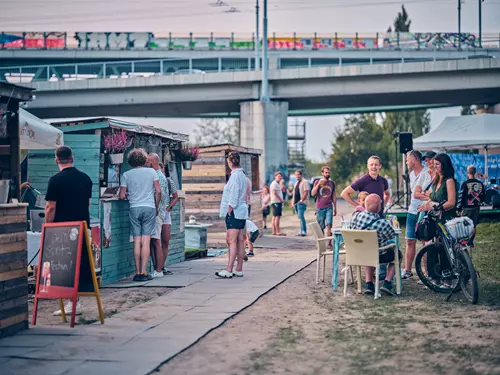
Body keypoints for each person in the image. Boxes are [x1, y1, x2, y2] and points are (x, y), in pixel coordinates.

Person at [45, 146, 92, 316]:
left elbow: (50, 207)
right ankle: (74, 301)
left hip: (61, 230)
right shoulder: (85, 178)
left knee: (65, 266)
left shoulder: (55, 180)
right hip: (81, 227)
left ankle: (72, 302)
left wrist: (47, 228)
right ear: (72, 158)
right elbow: (87, 204)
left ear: (56, 159)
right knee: (79, 264)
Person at [119, 149, 161, 282]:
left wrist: (128, 195)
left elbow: (121, 195)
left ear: (130, 161)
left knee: (137, 241)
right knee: (146, 240)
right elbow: (158, 191)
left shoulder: (126, 174)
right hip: (149, 207)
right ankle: (144, 272)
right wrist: (156, 205)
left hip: (134, 208)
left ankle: (137, 272)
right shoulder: (151, 172)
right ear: (144, 160)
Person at [349, 194, 401, 296]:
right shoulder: (382, 223)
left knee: (368, 252)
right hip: (378, 255)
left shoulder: (355, 216)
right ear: (378, 207)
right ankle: (387, 283)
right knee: (397, 254)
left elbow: (351, 230)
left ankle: (369, 284)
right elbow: (391, 236)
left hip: (360, 255)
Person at [216, 152, 248, 278]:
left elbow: (234, 194)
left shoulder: (234, 177)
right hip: (242, 211)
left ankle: (229, 270)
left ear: (229, 162)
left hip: (234, 211)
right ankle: (238, 268)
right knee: (240, 240)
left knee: (231, 240)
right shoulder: (242, 175)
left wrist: (230, 208)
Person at [401, 150, 432, 280]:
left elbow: (431, 194)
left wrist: (424, 196)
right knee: (409, 240)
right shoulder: (411, 174)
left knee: (426, 242)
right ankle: (408, 271)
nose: (406, 162)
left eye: (408, 159)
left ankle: (428, 273)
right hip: (412, 210)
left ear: (414, 159)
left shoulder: (428, 172)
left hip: (424, 210)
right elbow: (416, 194)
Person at [146, 153, 168, 279]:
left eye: (148, 161)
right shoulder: (159, 175)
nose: (146, 163)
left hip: (157, 212)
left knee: (156, 241)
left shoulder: (158, 177)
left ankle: (159, 269)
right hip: (159, 211)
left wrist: (155, 208)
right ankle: (156, 268)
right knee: (154, 241)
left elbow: (158, 194)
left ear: (153, 162)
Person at [418, 153, 457, 220]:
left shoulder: (449, 180)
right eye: (434, 164)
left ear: (445, 165)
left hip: (447, 220)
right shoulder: (436, 180)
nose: (435, 166)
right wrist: (425, 206)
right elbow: (433, 198)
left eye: (437, 164)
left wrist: (434, 207)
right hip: (435, 220)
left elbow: (451, 203)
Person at [457, 165, 485, 246]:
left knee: (465, 225)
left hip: (467, 208)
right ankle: (470, 241)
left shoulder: (465, 184)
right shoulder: (480, 183)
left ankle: (464, 241)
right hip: (476, 207)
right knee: (473, 225)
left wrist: (458, 208)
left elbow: (461, 196)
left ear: (467, 172)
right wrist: (479, 202)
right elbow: (483, 195)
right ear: (475, 172)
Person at [159, 163, 179, 275]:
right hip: (157, 212)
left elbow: (176, 196)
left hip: (166, 213)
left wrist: (170, 206)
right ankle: (158, 266)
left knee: (165, 241)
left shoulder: (168, 181)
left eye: (162, 169)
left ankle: (162, 266)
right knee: (155, 241)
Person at [311, 166, 336, 242]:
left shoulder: (332, 183)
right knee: (321, 227)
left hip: (329, 207)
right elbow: (312, 194)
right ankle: (322, 242)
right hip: (320, 207)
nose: (327, 174)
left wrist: (335, 208)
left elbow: (334, 196)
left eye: (329, 173)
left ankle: (329, 243)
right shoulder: (317, 182)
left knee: (329, 225)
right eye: (326, 173)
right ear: (322, 173)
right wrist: (318, 184)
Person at [293, 170, 310, 236]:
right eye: (296, 175)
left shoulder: (305, 182)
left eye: (298, 175)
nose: (297, 176)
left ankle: (304, 231)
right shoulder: (296, 182)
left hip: (301, 203)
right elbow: (294, 193)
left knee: (301, 216)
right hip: (296, 203)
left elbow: (306, 191)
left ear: (301, 175)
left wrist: (302, 200)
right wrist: (293, 202)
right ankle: (301, 231)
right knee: (300, 217)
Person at [270, 172, 285, 236]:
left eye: (280, 176)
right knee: (277, 217)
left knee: (274, 217)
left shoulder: (277, 183)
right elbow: (275, 193)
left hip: (276, 202)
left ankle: (274, 231)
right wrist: (281, 199)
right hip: (276, 202)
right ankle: (278, 231)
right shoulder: (274, 184)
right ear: (275, 176)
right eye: (278, 176)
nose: (280, 177)